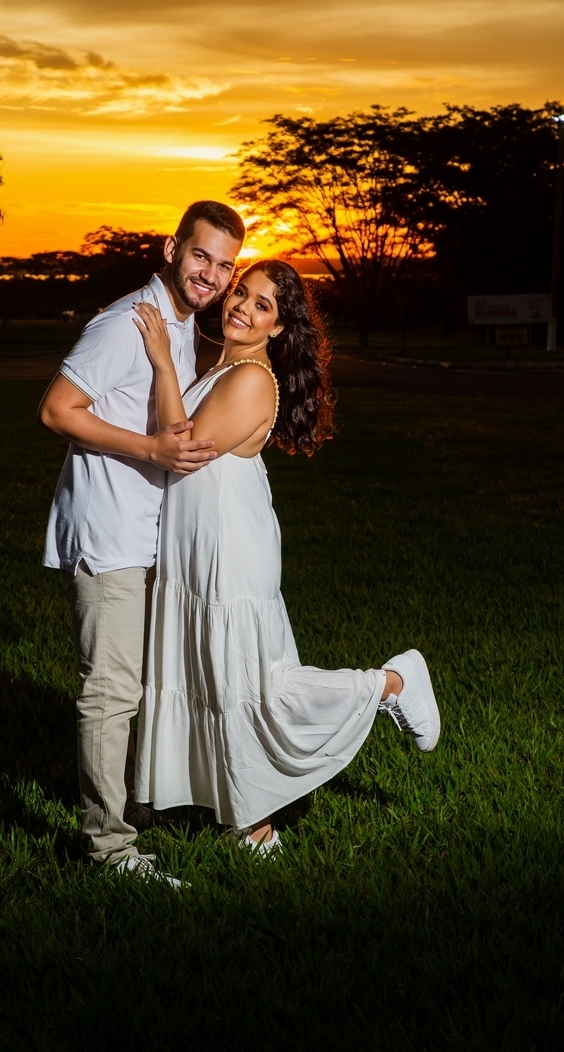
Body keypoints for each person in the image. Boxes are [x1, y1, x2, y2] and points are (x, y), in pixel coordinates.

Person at [133, 260, 440, 851]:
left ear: (277, 327)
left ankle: (393, 683)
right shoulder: (223, 366)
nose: (242, 307)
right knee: (212, 673)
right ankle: (247, 821)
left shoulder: (252, 378)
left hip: (229, 546)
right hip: (197, 542)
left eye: (262, 305)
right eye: (241, 293)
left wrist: (163, 363)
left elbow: (184, 447)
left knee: (251, 683)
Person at [37, 201, 245, 881]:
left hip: (148, 532)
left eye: (224, 265)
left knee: (141, 685)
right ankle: (109, 848)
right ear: (171, 248)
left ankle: (134, 804)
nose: (211, 274)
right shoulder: (126, 322)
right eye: (200, 255)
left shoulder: (178, 326)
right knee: (110, 693)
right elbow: (56, 409)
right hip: (110, 533)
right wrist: (150, 448)